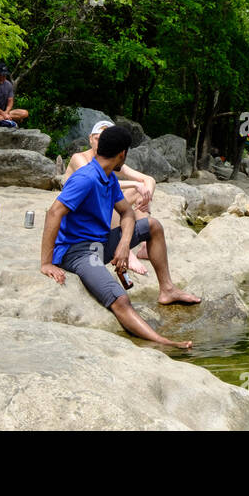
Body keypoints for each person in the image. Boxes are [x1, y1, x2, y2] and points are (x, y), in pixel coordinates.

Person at [41, 125, 200, 349]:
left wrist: (124, 245)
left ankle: (167, 290)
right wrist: (47, 262)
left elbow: (126, 213)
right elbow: (53, 213)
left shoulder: (109, 178)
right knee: (120, 299)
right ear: (122, 154)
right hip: (77, 251)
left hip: (102, 243)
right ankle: (164, 342)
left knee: (152, 225)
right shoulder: (86, 178)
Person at [64, 120, 153, 275]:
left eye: (103, 139)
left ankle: (144, 244)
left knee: (140, 191)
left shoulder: (113, 159)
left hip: (98, 204)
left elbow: (148, 179)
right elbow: (95, 182)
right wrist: (135, 184)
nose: (99, 143)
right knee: (108, 197)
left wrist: (147, 195)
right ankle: (127, 251)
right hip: (79, 210)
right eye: (97, 138)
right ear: (90, 138)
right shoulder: (79, 158)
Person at [0, 63, 28, 127]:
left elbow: (10, 101)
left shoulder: (8, 84)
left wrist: (6, 112)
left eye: (5, 75)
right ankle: (9, 119)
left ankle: (4, 119)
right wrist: (3, 114)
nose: (3, 77)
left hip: (5, 112)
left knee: (25, 113)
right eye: (1, 75)